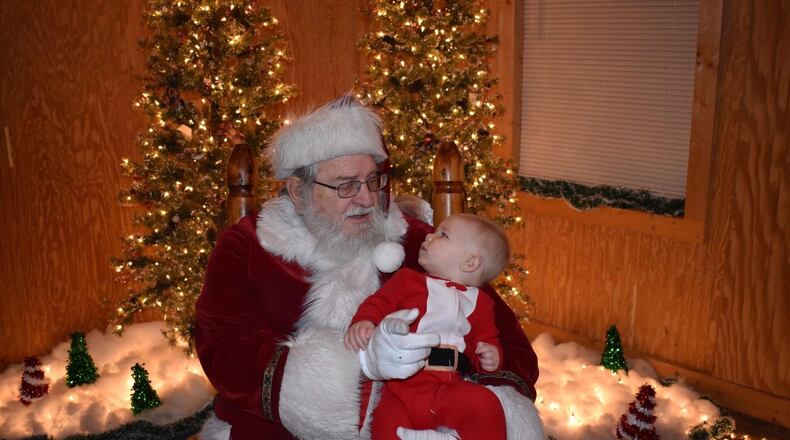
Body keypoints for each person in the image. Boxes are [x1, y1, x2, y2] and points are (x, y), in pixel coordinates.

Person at [194, 95, 543, 440]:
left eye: (373, 180)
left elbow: (507, 343)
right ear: (298, 192)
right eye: (346, 185)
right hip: (279, 427)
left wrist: (460, 398)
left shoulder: (420, 244)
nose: (366, 198)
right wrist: (359, 368)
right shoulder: (249, 245)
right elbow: (226, 348)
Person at [345, 213, 513, 439]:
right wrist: (364, 321)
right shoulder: (407, 280)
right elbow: (379, 302)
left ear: (470, 262)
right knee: (386, 425)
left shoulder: (482, 303)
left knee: (484, 403)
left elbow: (485, 341)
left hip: (449, 388)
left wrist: (492, 357)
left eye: (443, 235)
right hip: (401, 387)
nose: (429, 236)